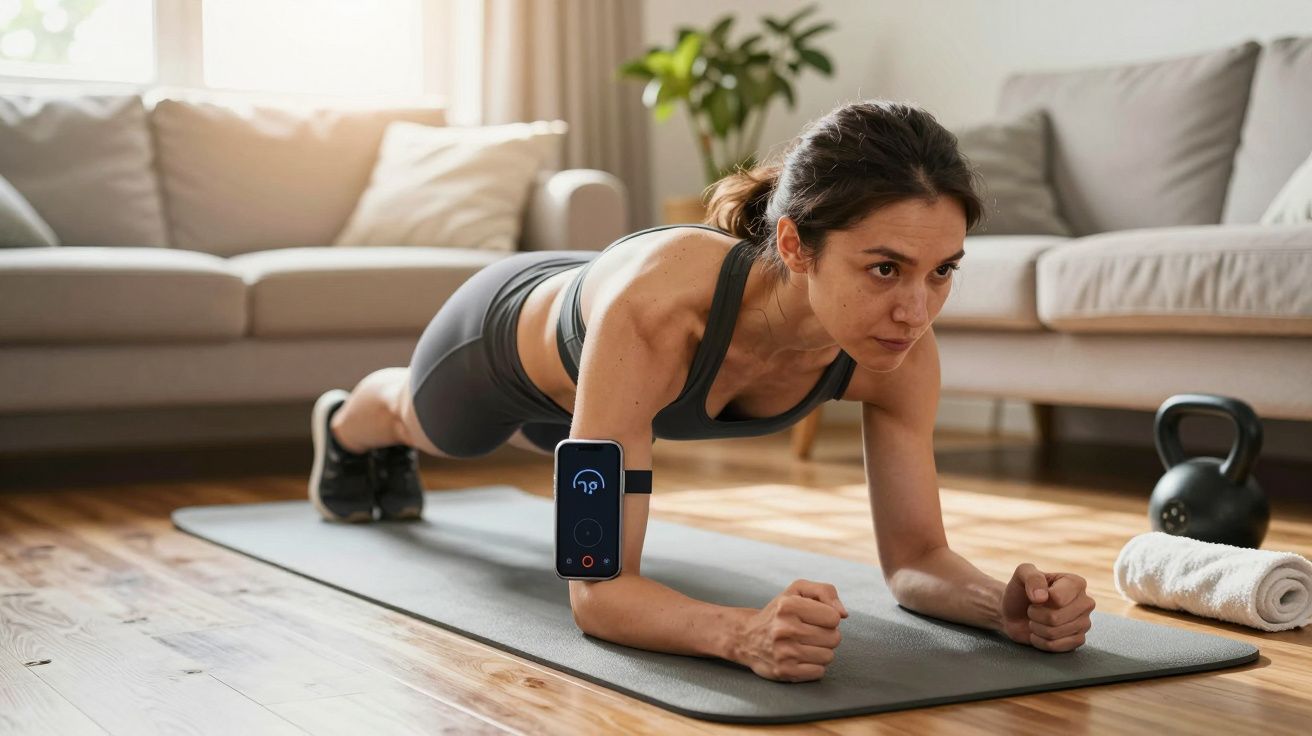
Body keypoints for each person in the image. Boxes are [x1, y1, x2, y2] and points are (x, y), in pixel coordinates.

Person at [307, 99, 1097, 683]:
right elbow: (598, 587)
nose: (916, 310)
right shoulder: (656, 315)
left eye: (942, 271)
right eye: (884, 268)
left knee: (580, 450)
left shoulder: (898, 351)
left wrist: (1004, 609)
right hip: (499, 344)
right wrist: (741, 634)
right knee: (433, 427)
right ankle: (345, 423)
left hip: (614, 394)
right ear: (795, 243)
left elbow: (917, 557)